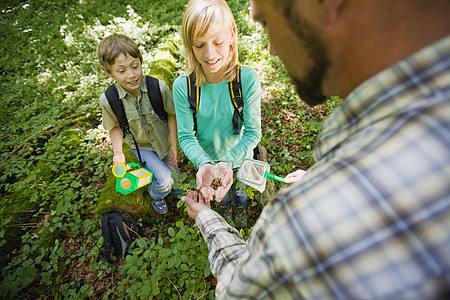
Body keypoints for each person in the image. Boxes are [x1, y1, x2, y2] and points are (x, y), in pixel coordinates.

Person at [182, 0, 450, 298]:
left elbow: (237, 292)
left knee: (240, 197)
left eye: (267, 23)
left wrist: (206, 218)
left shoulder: (306, 215)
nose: (271, 47)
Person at [173, 0, 262, 228]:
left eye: (218, 42)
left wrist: (228, 160)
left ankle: (240, 210)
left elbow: (252, 132)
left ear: (232, 34)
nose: (209, 54)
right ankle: (225, 212)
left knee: (240, 193)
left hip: (241, 160)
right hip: (208, 163)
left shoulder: (247, 80)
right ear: (189, 45)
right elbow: (185, 136)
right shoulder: (184, 87)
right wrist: (205, 163)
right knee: (220, 196)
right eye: (199, 45)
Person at [98, 33, 181, 214]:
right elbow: (115, 127)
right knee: (166, 180)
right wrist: (118, 152)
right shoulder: (109, 100)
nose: (131, 75)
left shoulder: (158, 88)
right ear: (107, 71)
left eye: (135, 66)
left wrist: (174, 145)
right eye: (121, 71)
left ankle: (177, 192)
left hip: (164, 142)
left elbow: (171, 115)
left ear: (141, 60)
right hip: (142, 147)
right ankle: (156, 194)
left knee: (176, 178)